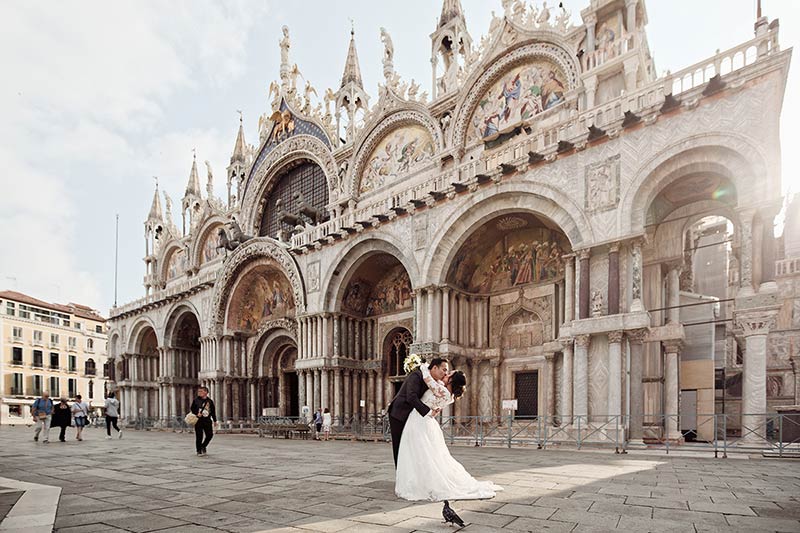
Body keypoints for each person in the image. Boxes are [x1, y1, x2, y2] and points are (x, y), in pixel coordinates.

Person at [395, 363, 502, 501]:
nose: (445, 374)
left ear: (451, 380)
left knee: (419, 452)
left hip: (420, 421)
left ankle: (420, 483)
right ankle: (420, 479)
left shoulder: (443, 391)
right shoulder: (449, 395)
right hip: (425, 421)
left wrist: (422, 366)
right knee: (425, 454)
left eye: (448, 374)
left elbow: (428, 379)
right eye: (445, 371)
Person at [190, 386, 217, 456]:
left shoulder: (210, 401)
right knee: (199, 436)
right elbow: (192, 409)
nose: (199, 393)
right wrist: (196, 413)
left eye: (201, 391)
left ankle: (203, 446)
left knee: (210, 435)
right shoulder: (196, 400)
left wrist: (215, 421)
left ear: (206, 392)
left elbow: (213, 411)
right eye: (199, 391)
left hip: (207, 420)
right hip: (198, 421)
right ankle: (198, 450)